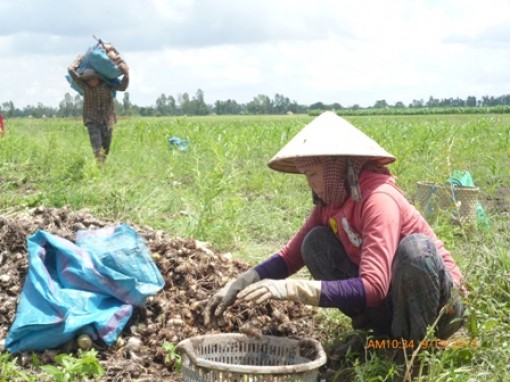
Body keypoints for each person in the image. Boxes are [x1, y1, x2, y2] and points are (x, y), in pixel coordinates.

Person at [204, 111, 465, 351]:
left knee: (415, 251)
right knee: (314, 243)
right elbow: (289, 257)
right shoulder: (331, 204)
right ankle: (383, 336)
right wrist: (241, 282)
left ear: (337, 168)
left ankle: (416, 350)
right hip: (395, 302)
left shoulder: (378, 198)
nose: (311, 183)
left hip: (439, 307)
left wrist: (292, 290)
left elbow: (373, 286)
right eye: (306, 175)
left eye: (315, 173)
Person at [67, 55, 129, 163]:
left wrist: (126, 73)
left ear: (98, 77)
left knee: (106, 149)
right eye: (88, 79)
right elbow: (70, 70)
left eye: (93, 78)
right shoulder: (85, 87)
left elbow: (122, 87)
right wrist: (78, 59)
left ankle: (101, 168)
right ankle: (99, 168)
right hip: (92, 120)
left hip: (107, 120)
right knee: (97, 147)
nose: (91, 81)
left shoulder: (108, 85)